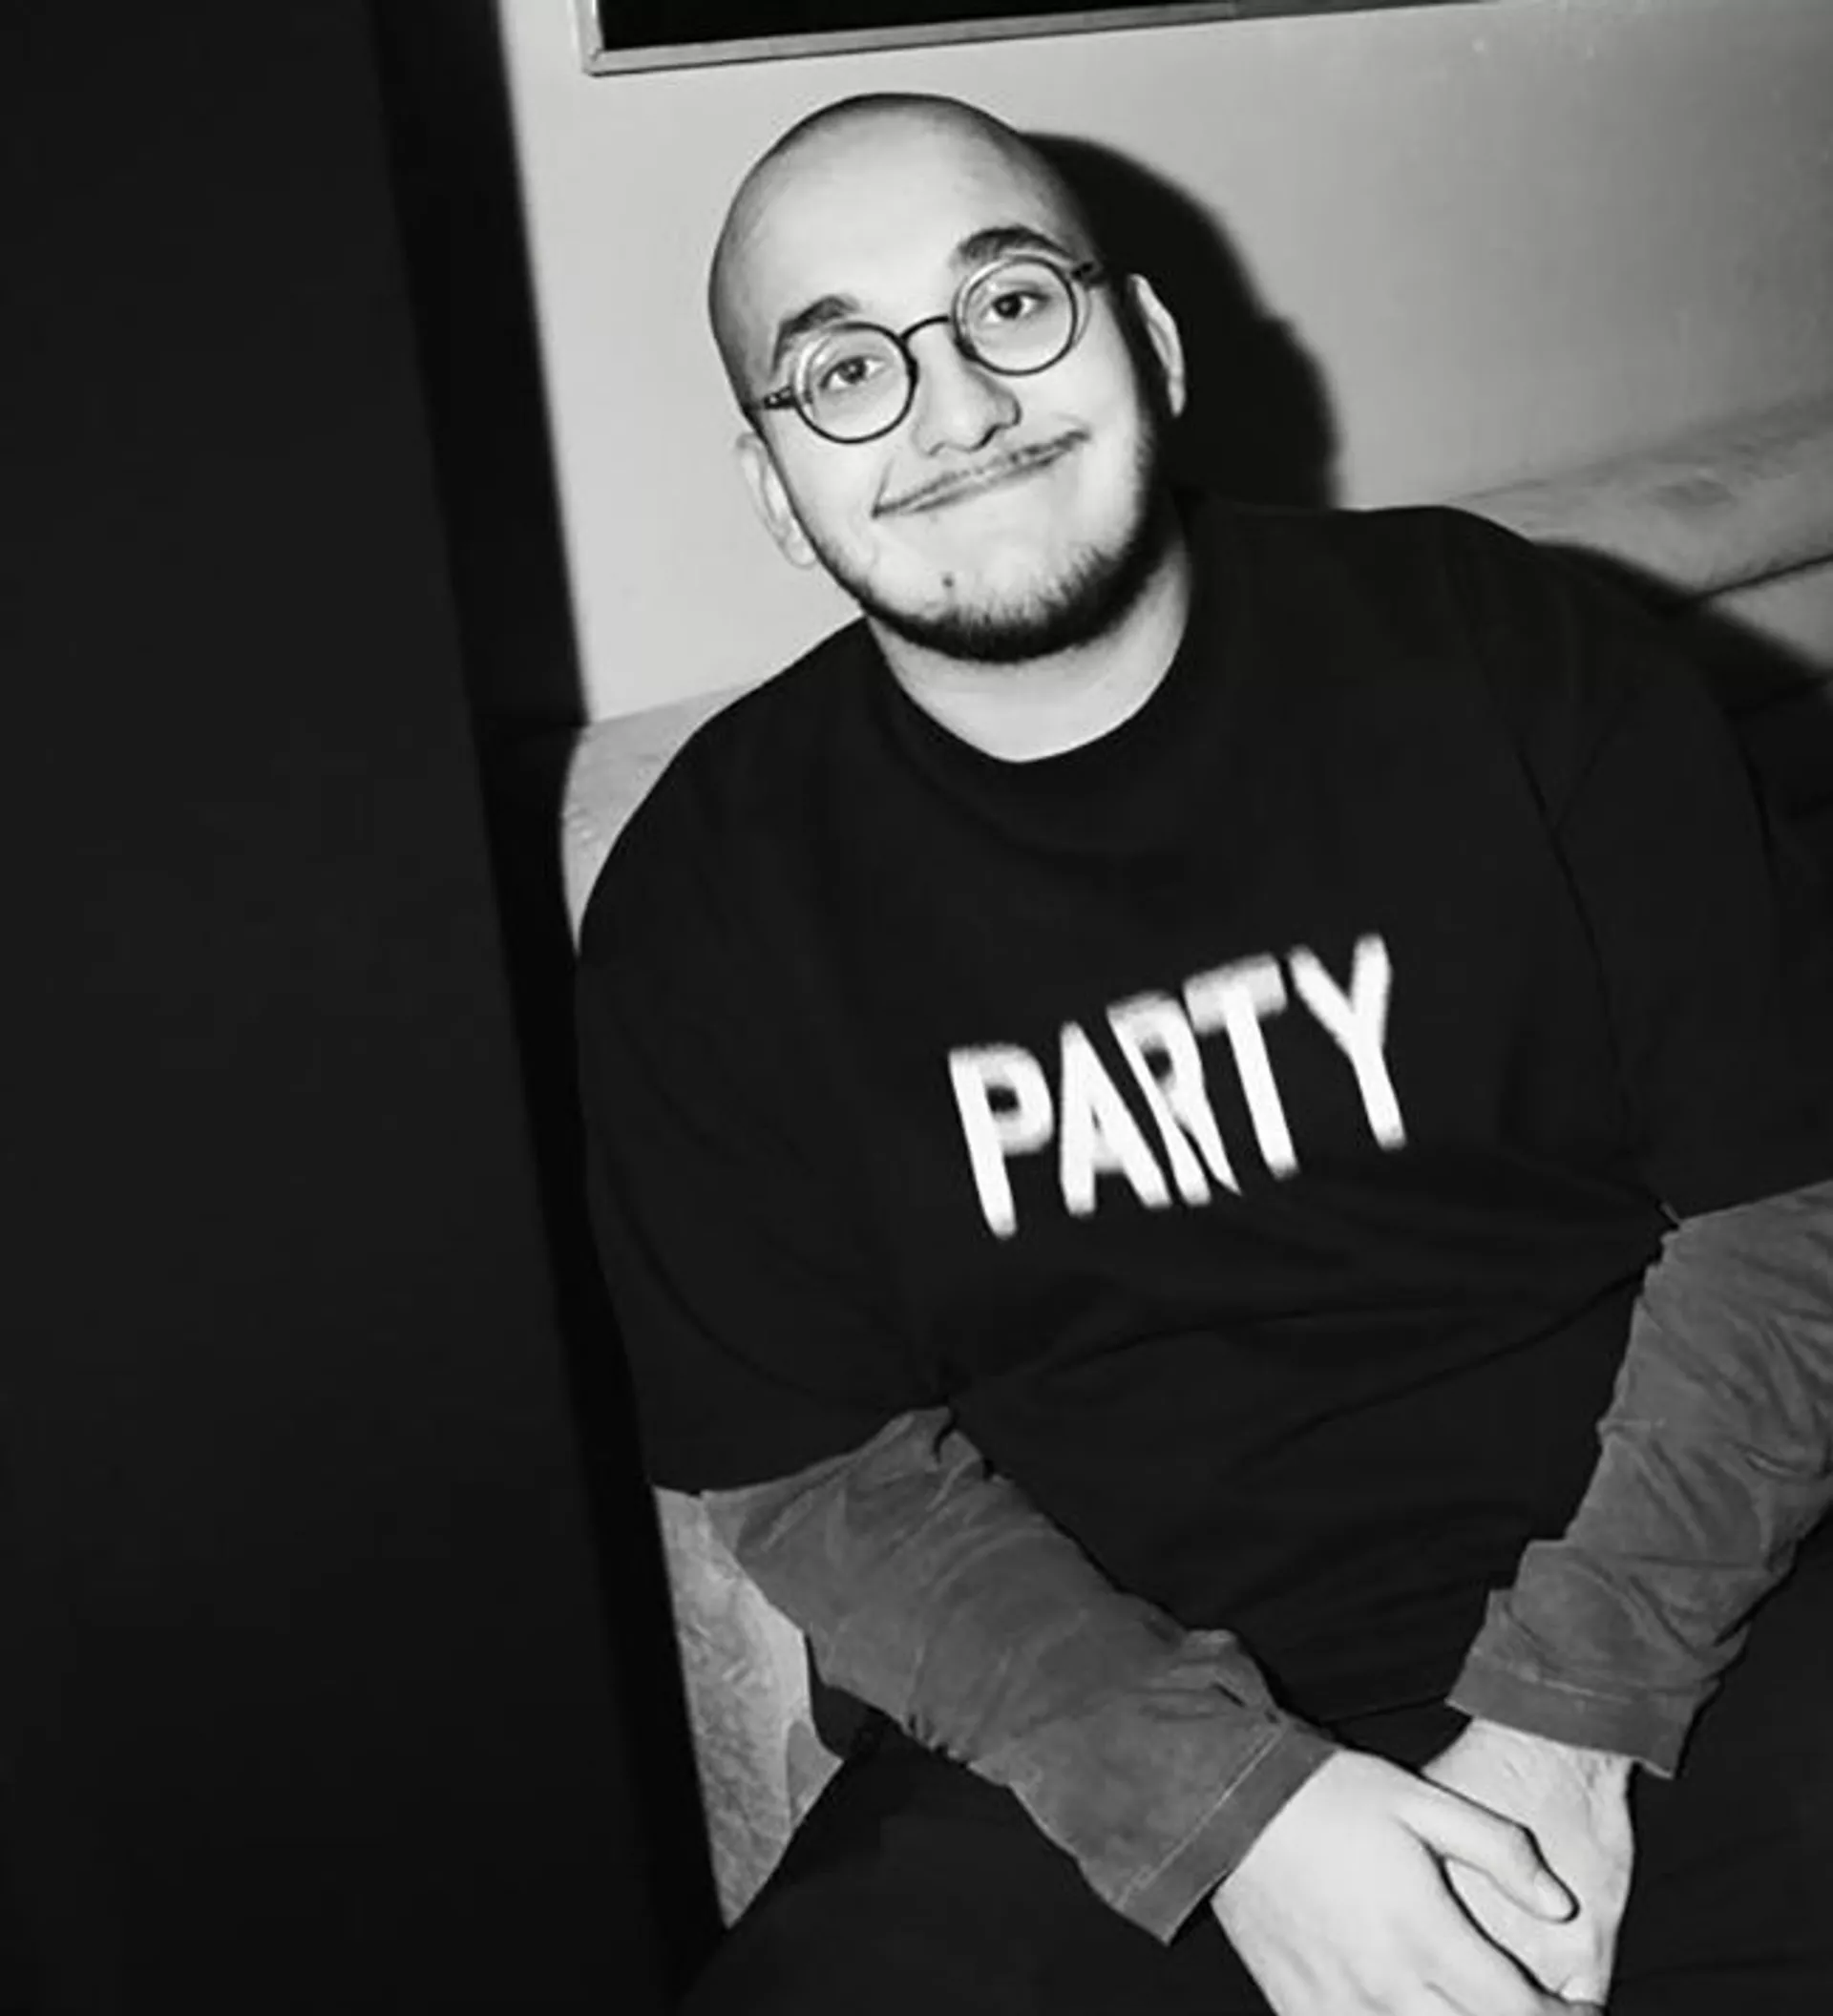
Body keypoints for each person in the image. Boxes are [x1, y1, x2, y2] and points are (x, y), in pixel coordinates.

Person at [576, 94, 1833, 2015]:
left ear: (1146, 343)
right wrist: (1240, 1818)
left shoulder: (1503, 651)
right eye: (842, 366)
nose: (954, 404)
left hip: (1678, 1627)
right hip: (1097, 1736)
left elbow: (1782, 1206)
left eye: (1010, 302)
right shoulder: (703, 903)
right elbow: (816, 1481)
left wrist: (1571, 1731)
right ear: (773, 481)